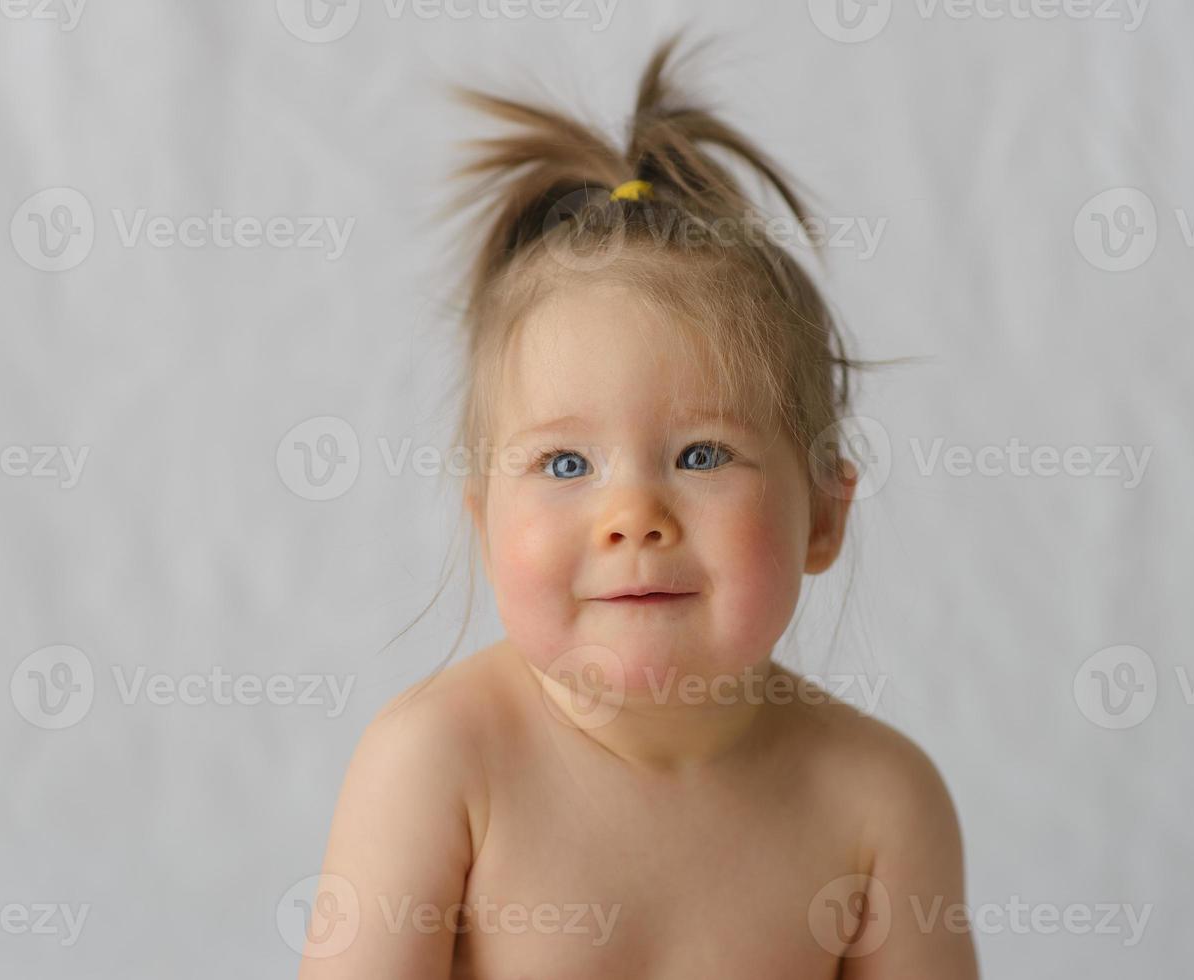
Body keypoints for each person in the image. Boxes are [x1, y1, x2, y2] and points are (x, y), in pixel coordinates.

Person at [298, 30, 978, 979]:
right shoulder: (440, 764)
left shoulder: (878, 802)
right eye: (566, 463)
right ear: (485, 524)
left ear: (823, 514)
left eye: (703, 453)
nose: (632, 515)